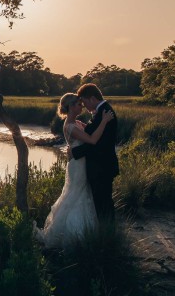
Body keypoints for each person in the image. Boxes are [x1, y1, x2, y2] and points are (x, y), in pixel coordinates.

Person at [35, 92, 114, 249]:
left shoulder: (77, 122)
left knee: (83, 194)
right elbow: (92, 140)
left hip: (81, 163)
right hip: (77, 166)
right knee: (76, 195)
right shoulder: (70, 126)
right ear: (71, 107)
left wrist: (97, 116)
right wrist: (104, 121)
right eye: (79, 104)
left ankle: (85, 231)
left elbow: (91, 131)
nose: (81, 106)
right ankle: (71, 234)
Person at [71, 83, 119, 225]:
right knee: (101, 202)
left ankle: (108, 234)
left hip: (102, 166)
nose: (84, 106)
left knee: (103, 203)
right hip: (100, 166)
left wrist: (75, 152)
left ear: (92, 98)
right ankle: (106, 232)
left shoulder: (105, 113)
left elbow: (98, 143)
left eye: (84, 102)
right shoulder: (101, 112)